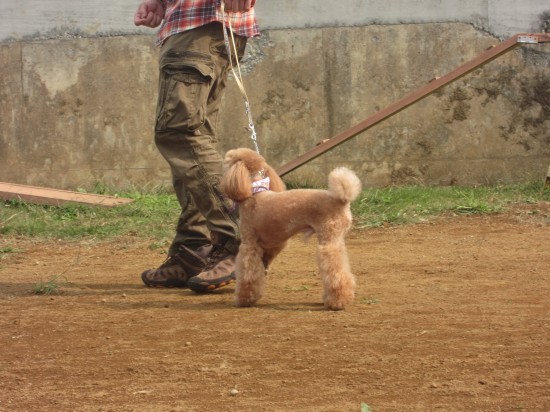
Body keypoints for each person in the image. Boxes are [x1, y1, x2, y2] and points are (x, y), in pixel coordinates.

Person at [134, 0, 259, 293]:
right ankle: (195, 247)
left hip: (199, 28)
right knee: (194, 136)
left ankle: (239, 237)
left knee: (181, 135)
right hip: (196, 25)